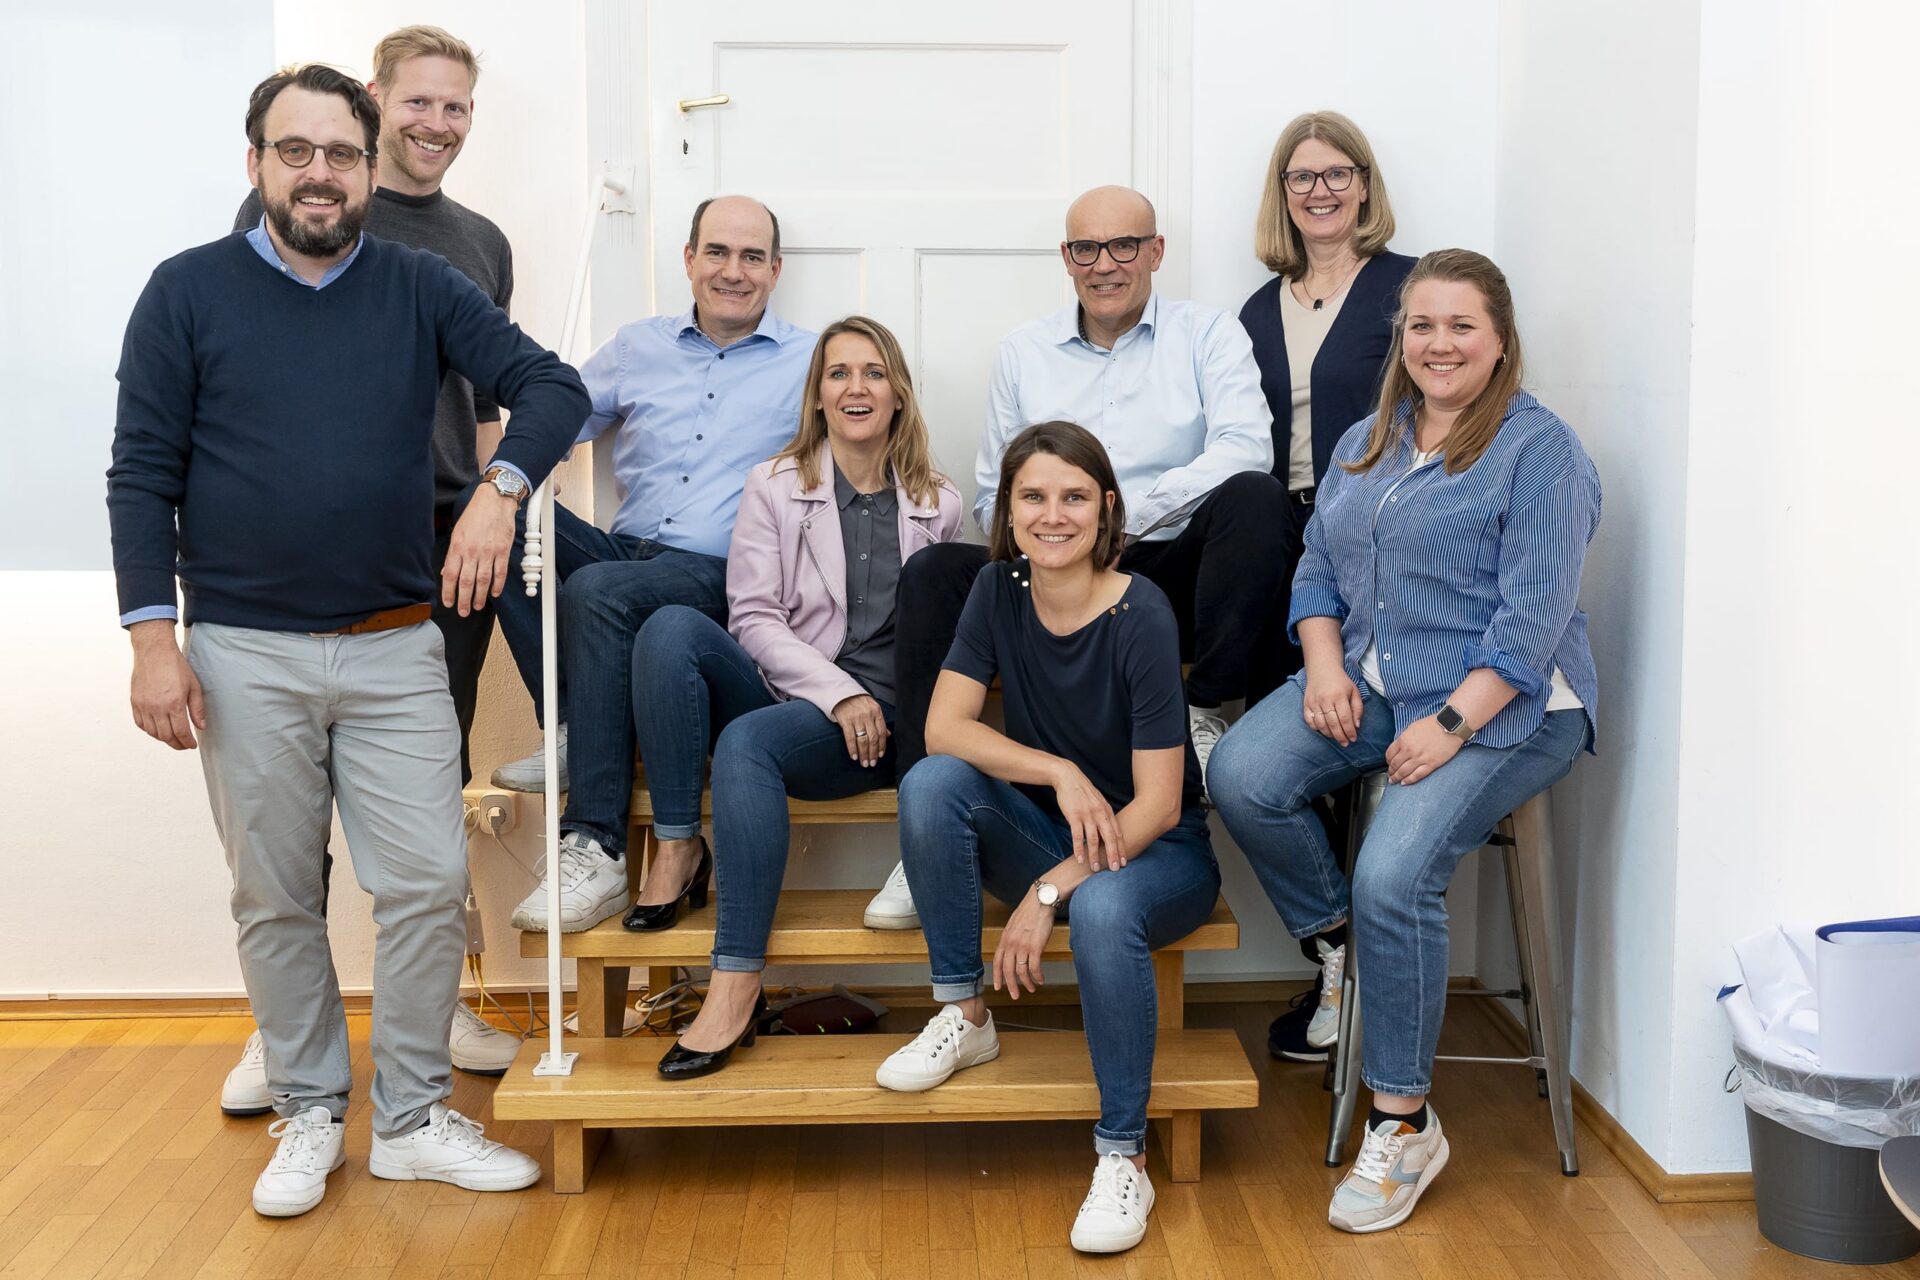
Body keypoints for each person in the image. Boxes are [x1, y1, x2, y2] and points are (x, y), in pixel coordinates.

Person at [109, 65, 588, 1216]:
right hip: (240, 650)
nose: (320, 172)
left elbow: (551, 384)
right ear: (257, 163)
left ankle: (415, 1119)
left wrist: (500, 487)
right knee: (274, 894)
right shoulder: (185, 292)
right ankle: (313, 1106)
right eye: (296, 150)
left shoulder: (420, 285)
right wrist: (149, 639)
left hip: (393, 645)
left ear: (371, 171)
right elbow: (140, 473)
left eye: (341, 154)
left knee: (423, 884)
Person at [1206, 249, 1601, 1235]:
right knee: (1242, 773)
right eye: (1421, 325)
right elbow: (1317, 570)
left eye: (1460, 324)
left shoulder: (1539, 449)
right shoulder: (1367, 438)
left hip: (1509, 705)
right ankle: (1343, 948)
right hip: (1377, 679)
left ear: (1500, 337)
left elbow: (1530, 624)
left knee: (1396, 875)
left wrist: (1453, 723)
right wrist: (1327, 664)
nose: (1438, 343)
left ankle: (1405, 1119)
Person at [218, 26, 522, 1112]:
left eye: (457, 108)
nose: (437, 125)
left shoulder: (480, 241)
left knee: (422, 810)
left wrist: (497, 502)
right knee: (288, 819)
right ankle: (282, 1027)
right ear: (372, 105)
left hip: (448, 553)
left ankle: (426, 1007)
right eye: (420, 103)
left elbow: (491, 412)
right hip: (306, 573)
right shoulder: (303, 218)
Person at [869, 184, 1282, 932]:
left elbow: (1246, 445)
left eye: (1124, 245)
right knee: (933, 571)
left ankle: (1200, 713)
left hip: (1168, 562)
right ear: (1067, 259)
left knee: (1257, 496)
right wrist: (1058, 542)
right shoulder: (1025, 350)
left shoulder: (1208, 334)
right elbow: (999, 488)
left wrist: (1119, 520)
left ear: (1156, 252)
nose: (1106, 264)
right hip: (1052, 567)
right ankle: (920, 820)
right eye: (1086, 248)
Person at [877, 422, 1218, 1255]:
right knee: (931, 782)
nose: (1052, 515)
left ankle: (1122, 1155)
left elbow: (1160, 806)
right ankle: (966, 1013)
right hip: (1058, 829)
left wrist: (1048, 890)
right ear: (1010, 508)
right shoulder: (997, 589)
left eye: (1073, 497)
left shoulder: (1143, 614)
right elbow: (945, 728)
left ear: (1106, 510)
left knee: (1100, 911)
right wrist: (1059, 772)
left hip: (1158, 854)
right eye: (1033, 496)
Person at [629, 316, 964, 1077]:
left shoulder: (937, 502)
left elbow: (951, 634)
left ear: (899, 394)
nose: (856, 387)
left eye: (873, 372)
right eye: (838, 373)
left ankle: (734, 982)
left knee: (746, 745)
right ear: (817, 395)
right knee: (672, 626)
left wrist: (887, 713)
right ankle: (681, 846)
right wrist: (837, 691)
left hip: (891, 729)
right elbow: (752, 616)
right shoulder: (776, 485)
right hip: (804, 696)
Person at [493, 196, 816, 936]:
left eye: (751, 257)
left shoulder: (811, 360)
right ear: (689, 259)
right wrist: (507, 466)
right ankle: (574, 723)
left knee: (602, 591)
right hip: (626, 549)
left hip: (719, 572)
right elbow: (557, 416)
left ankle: (597, 847)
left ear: (774, 269)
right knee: (497, 519)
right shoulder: (638, 346)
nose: (732, 272)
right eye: (717, 253)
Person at [1235, 111, 1415, 1065]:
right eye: (1301, 176)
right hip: (1279, 541)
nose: (1320, 190)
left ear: (1364, 183)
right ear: (1283, 192)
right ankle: (1333, 959)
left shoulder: (1404, 289)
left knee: (1351, 746)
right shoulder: (1260, 309)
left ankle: (1362, 985)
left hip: (1372, 532)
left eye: (1338, 172)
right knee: (1287, 746)